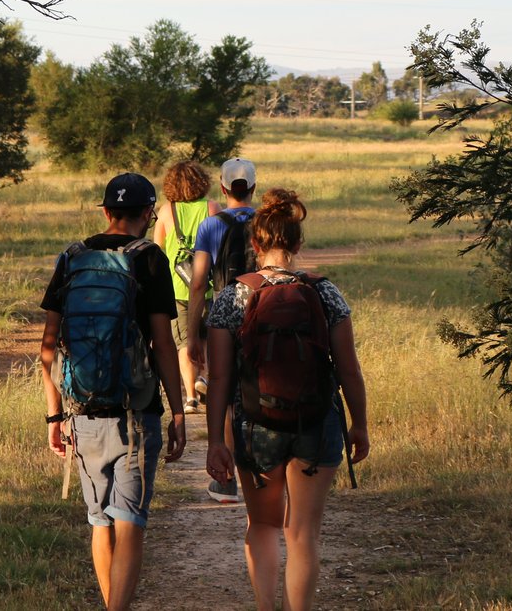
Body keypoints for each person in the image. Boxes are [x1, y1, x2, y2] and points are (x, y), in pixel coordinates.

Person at [203, 188, 370, 611]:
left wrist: (216, 441)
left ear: (255, 244)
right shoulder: (326, 293)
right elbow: (348, 369)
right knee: (303, 533)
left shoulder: (232, 297)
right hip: (317, 422)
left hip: (256, 425)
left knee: (262, 525)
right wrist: (360, 424)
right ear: (297, 243)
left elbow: (220, 377)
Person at [40, 172, 187, 611]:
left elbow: (48, 347)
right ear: (147, 214)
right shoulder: (150, 260)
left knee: (99, 523)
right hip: (136, 413)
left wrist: (54, 416)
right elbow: (164, 343)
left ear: (105, 212)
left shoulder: (71, 257)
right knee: (130, 525)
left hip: (82, 410)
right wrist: (178, 413)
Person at [185, 156, 258, 502]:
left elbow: (198, 284)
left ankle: (226, 480)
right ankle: (264, 465)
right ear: (253, 188)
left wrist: (192, 334)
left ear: (223, 187)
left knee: (224, 392)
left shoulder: (210, 226)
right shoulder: (266, 222)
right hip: (264, 313)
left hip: (223, 317)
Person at [151, 159, 220, 414]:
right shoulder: (212, 208)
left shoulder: (166, 211)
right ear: (201, 181)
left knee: (183, 341)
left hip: (176, 289)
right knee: (208, 337)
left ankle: (190, 396)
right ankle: (206, 377)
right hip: (209, 284)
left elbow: (156, 252)